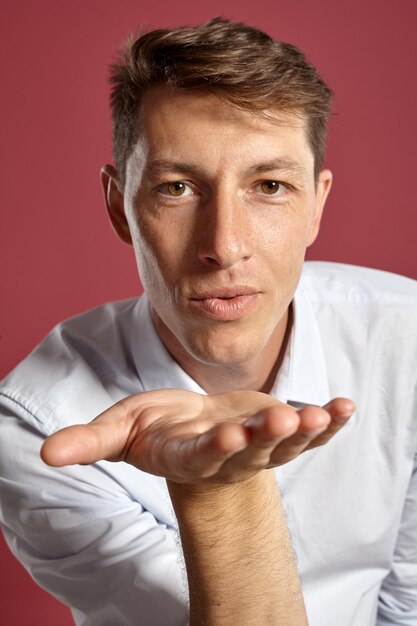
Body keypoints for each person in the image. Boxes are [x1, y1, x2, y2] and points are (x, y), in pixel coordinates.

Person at [0, 16, 416, 626]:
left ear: (317, 207)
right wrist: (218, 487)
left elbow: (406, 606)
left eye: (269, 185)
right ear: (120, 207)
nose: (224, 246)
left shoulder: (404, 337)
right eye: (176, 188)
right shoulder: (40, 428)